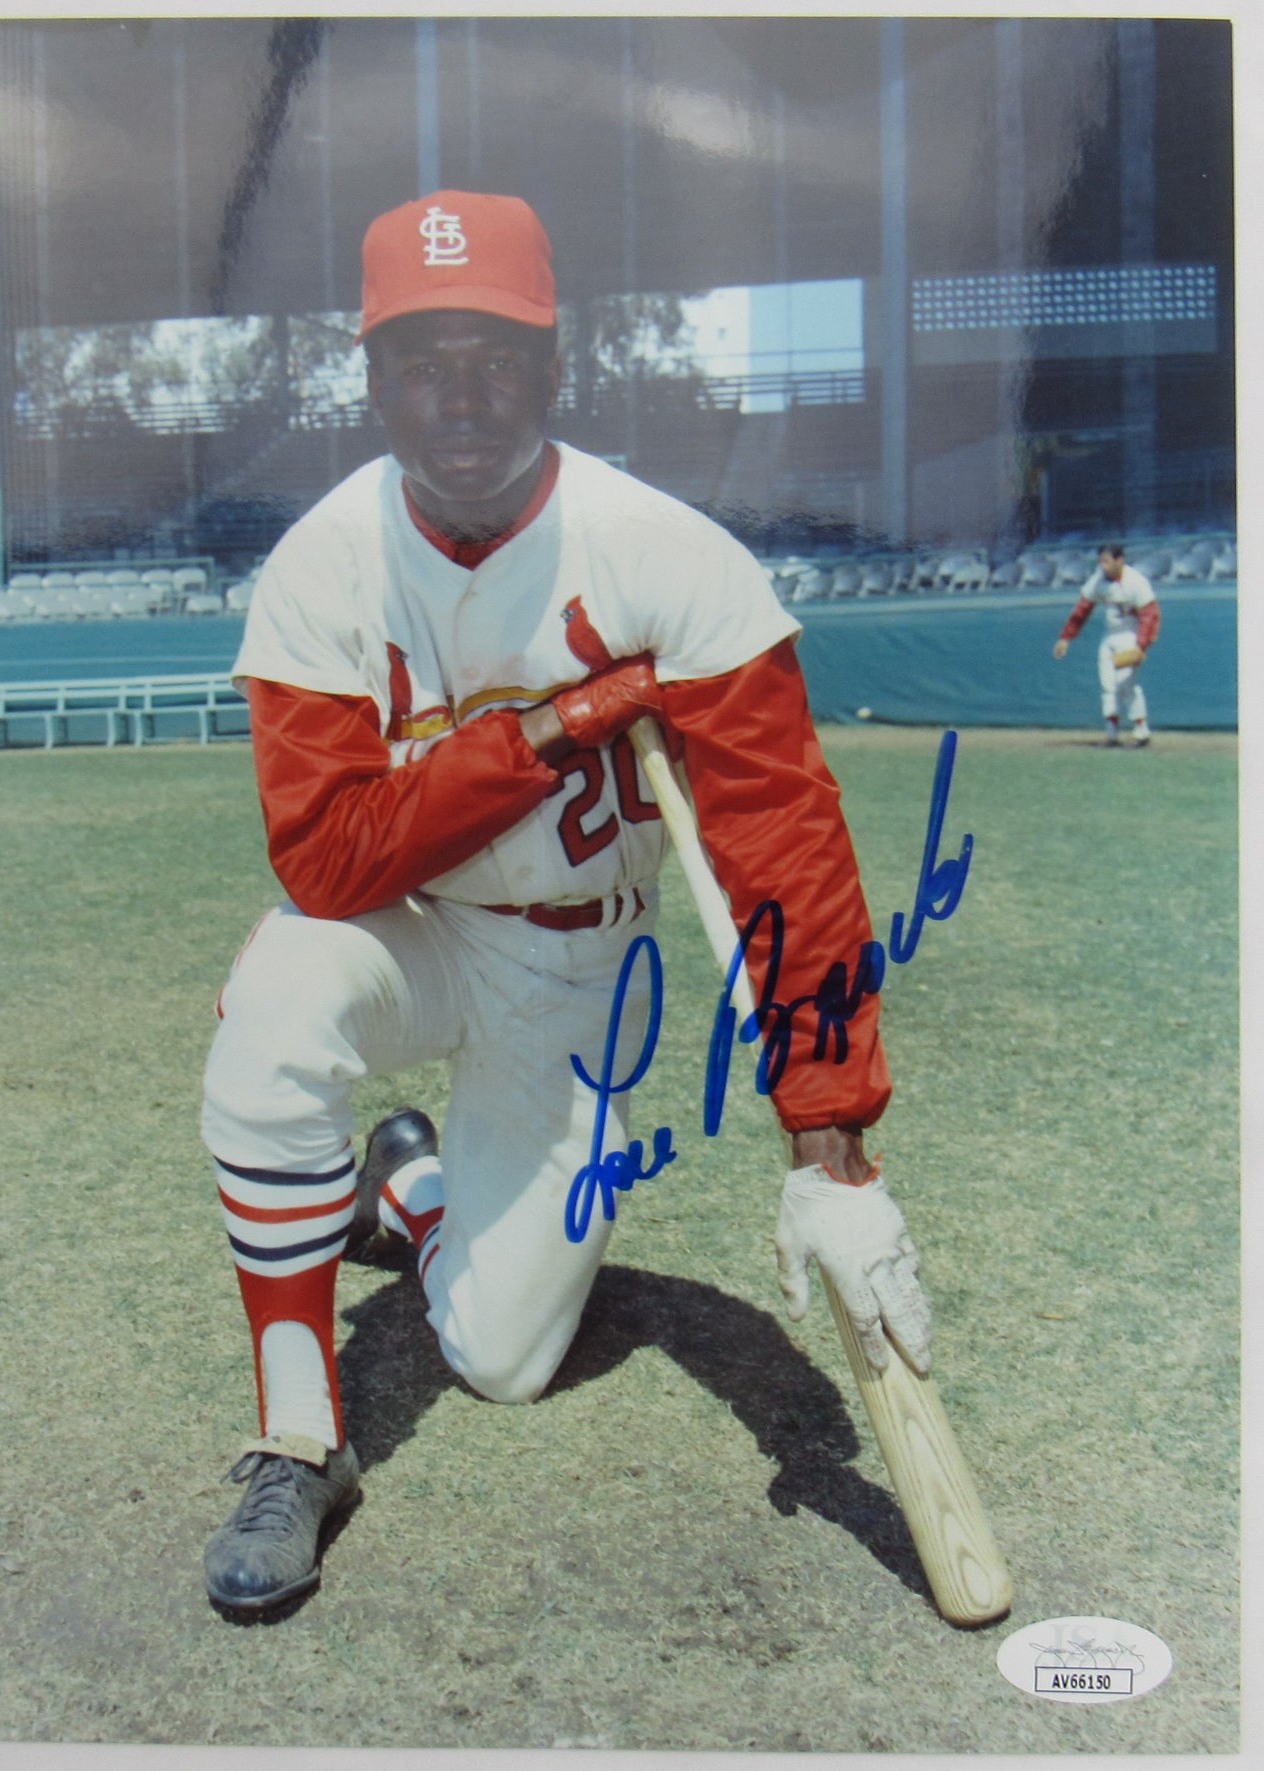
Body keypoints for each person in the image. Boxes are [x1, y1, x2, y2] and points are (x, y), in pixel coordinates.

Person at [198, 190, 934, 1617]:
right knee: (280, 999)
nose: (458, 398)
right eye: (421, 361)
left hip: (580, 965)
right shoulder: (320, 563)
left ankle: (409, 1188)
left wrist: (832, 1145)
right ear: (372, 381)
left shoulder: (670, 557)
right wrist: (540, 732)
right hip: (403, 928)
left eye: (494, 358)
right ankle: (300, 1439)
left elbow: (786, 853)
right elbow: (329, 864)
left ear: (556, 368)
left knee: (502, 1356)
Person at [1051, 543, 1160, 746]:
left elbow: (1150, 615)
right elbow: (1082, 609)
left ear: (1120, 560)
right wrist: (1066, 637)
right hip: (1110, 636)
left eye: (1107, 561)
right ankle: (1111, 733)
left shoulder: (1135, 581)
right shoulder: (1099, 579)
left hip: (1130, 635)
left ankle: (1141, 731)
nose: (1103, 566)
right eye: (1101, 561)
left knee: (1127, 685)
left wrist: (1141, 645)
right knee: (1107, 685)